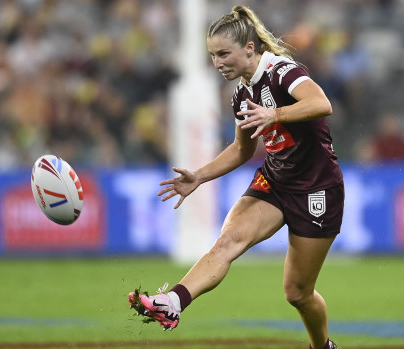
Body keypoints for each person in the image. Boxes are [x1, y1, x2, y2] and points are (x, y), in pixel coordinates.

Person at [128, 6, 344, 349]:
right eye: (212, 55)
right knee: (226, 242)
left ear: (249, 48)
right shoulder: (242, 94)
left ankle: (323, 347)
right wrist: (199, 175)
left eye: (223, 53)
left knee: (297, 293)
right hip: (274, 183)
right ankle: (173, 303)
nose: (217, 62)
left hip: (317, 190)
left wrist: (276, 113)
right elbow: (242, 150)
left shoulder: (282, 72)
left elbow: (321, 103)